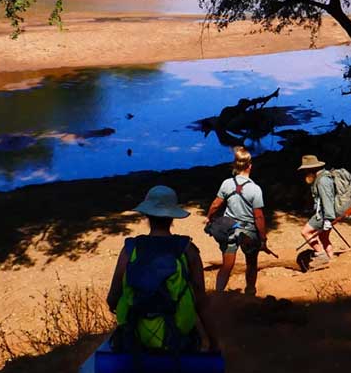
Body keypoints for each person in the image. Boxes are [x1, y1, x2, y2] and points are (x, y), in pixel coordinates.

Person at [106, 185, 220, 353]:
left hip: (136, 339)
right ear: (172, 217)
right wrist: (214, 342)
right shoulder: (187, 250)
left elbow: (112, 298)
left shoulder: (130, 249)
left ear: (147, 215)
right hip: (178, 339)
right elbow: (201, 302)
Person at [205, 146, 267, 295]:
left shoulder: (227, 183)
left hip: (229, 228)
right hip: (249, 231)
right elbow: (258, 216)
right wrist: (263, 238)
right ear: (250, 166)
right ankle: (250, 292)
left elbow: (215, 205)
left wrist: (209, 218)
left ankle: (218, 294)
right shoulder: (255, 189)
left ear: (235, 165)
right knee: (251, 263)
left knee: (227, 265)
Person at [298, 154, 337, 263]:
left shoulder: (322, 181)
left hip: (325, 214)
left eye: (306, 170)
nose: (305, 173)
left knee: (305, 232)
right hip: (327, 213)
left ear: (311, 169)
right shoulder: (323, 177)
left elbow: (327, 200)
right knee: (324, 238)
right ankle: (331, 261)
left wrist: (328, 219)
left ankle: (321, 256)